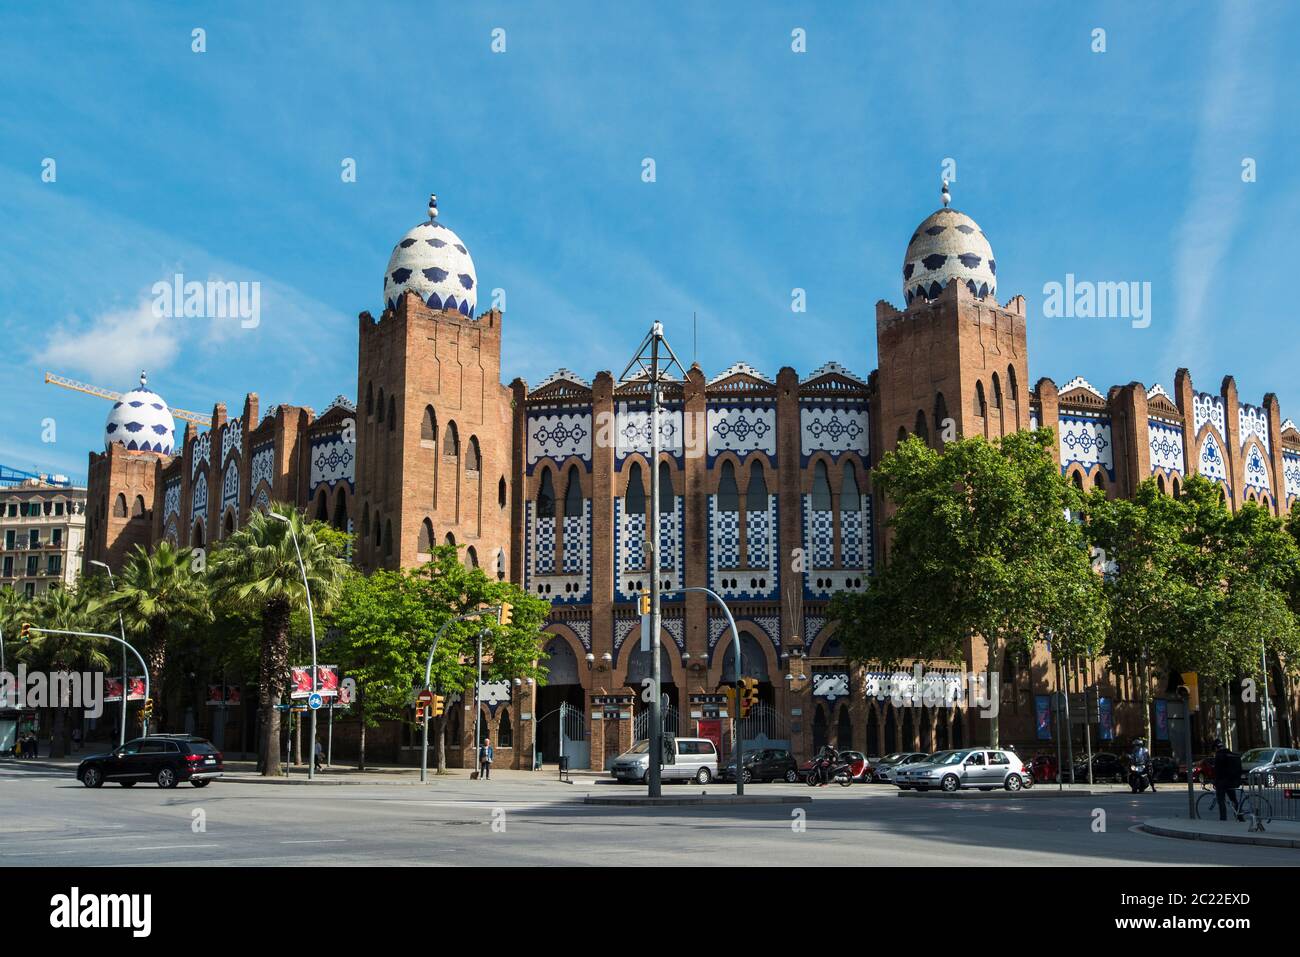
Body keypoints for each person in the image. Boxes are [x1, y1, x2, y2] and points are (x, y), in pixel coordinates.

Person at [1212, 739, 1243, 822]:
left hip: (1221, 783)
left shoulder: (1219, 756)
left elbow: (1217, 771)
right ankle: (1240, 817)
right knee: (1234, 800)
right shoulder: (1230, 754)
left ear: (1215, 748)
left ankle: (1223, 819)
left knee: (1221, 801)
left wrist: (1215, 781)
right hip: (1232, 781)